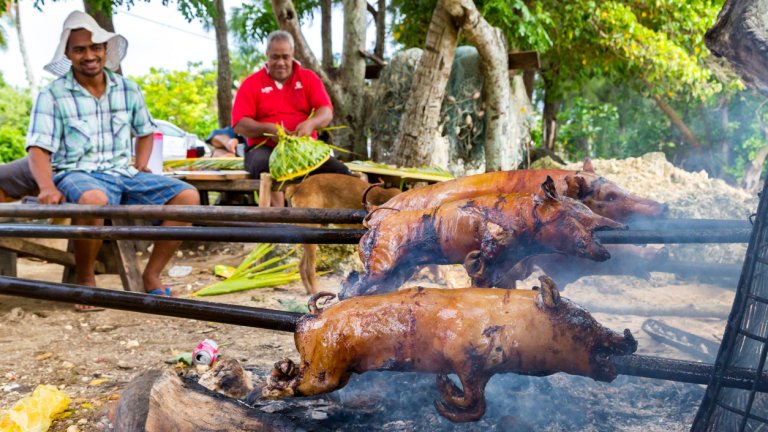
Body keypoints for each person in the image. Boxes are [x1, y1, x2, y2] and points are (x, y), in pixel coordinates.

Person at [25, 11, 200, 309]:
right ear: (68, 54)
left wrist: (141, 162)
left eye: (95, 48)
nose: (89, 55)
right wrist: (46, 186)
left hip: (124, 172)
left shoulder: (128, 88)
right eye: (80, 49)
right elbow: (38, 148)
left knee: (188, 196)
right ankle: (85, 280)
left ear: (106, 50)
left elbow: (145, 131)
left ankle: (152, 276)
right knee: (94, 199)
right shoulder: (52, 94)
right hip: (77, 172)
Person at [231, 30, 353, 206]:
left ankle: (343, 220)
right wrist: (268, 129)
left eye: (285, 57)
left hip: (304, 149)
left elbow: (325, 111)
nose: (280, 62)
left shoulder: (308, 78)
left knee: (339, 172)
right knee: (267, 166)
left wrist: (310, 124)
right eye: (275, 57)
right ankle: (279, 219)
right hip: (264, 149)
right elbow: (239, 124)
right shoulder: (252, 83)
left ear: (292, 55)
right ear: (267, 55)